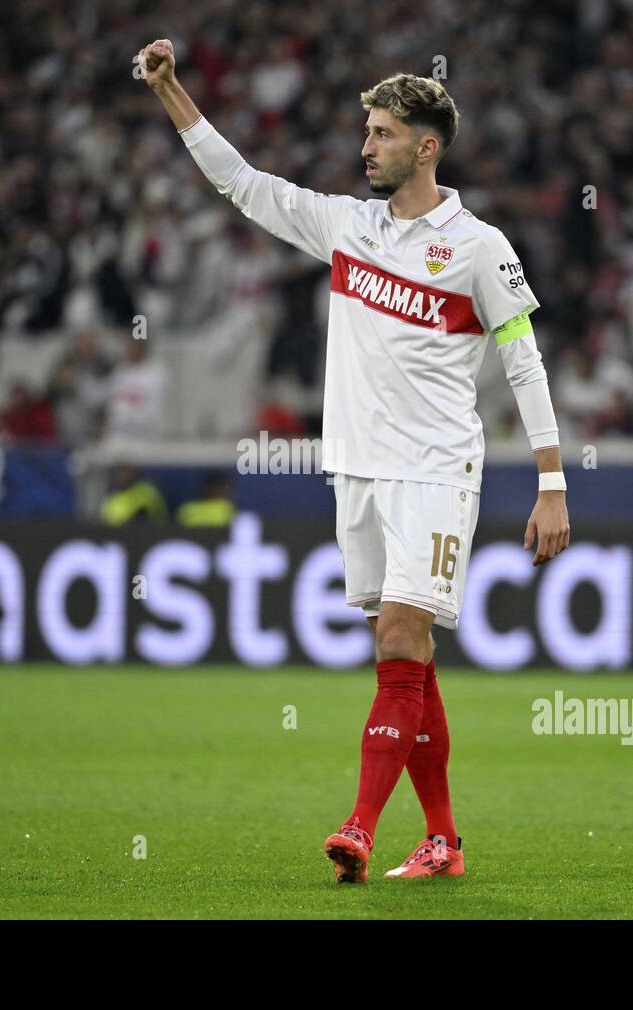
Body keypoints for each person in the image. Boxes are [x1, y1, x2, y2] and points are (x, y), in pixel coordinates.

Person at [140, 40, 570, 884]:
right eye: (365, 132)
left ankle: (360, 827)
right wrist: (172, 91)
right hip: (360, 472)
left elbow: (524, 362)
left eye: (380, 134)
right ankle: (442, 838)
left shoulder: (478, 247)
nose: (364, 147)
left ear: (425, 147)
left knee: (403, 636)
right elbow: (243, 183)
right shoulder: (348, 227)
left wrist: (552, 484)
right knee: (401, 656)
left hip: (439, 473)